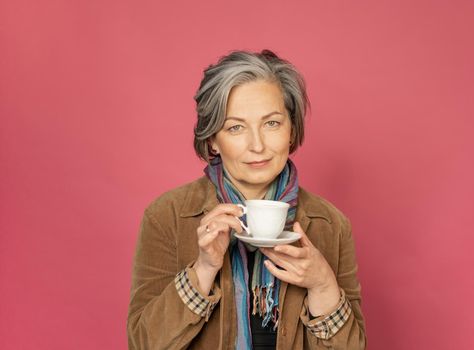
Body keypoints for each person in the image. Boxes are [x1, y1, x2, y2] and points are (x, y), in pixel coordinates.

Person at [127, 49, 367, 349]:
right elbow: (143, 344)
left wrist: (323, 285)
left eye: (272, 123)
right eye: (235, 127)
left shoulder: (330, 224)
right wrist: (203, 269)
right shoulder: (168, 216)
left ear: (291, 130)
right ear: (213, 138)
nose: (257, 145)